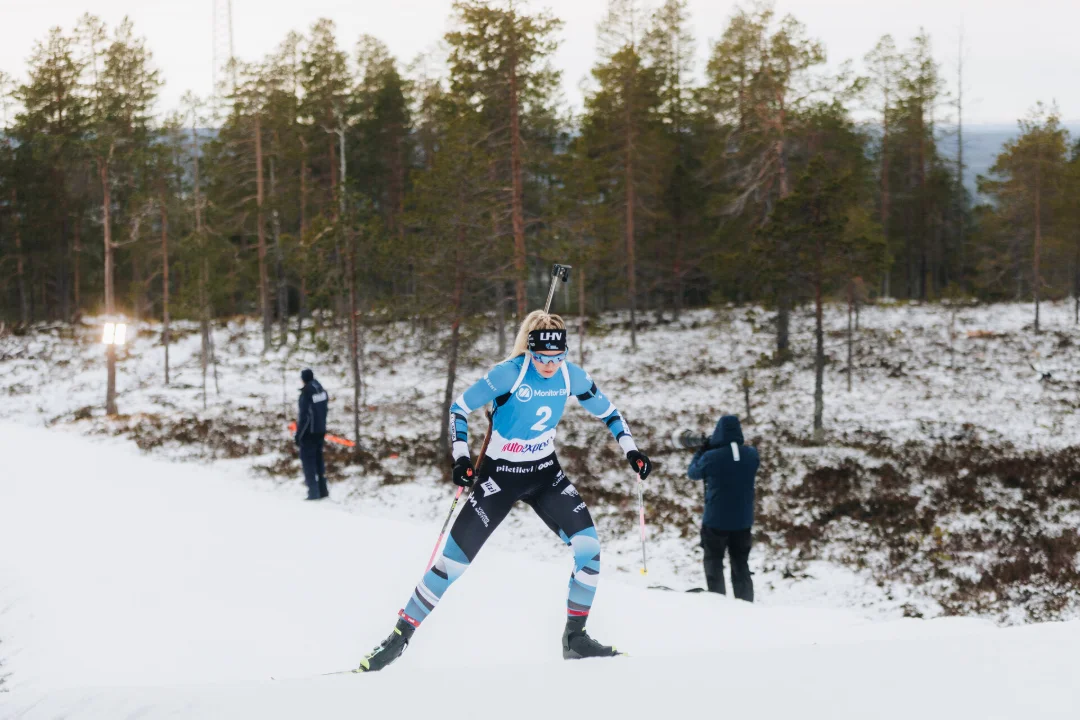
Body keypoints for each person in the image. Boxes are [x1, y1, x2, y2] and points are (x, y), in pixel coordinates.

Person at [357, 310, 652, 671]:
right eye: (542, 357)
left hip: (545, 475)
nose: (549, 364)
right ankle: (398, 638)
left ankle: (575, 638)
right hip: (499, 479)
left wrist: (632, 450)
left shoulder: (570, 376)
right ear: (530, 350)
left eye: (557, 357)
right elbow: (459, 408)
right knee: (451, 564)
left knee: (589, 550)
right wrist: (462, 458)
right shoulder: (509, 373)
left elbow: (610, 412)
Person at [688, 415, 758, 601]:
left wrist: (701, 451)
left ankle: (718, 602)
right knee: (741, 564)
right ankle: (746, 604)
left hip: (715, 521)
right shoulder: (752, 455)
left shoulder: (711, 457)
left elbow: (693, 472)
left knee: (713, 562)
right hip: (743, 521)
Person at [295, 368, 330, 501]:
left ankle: (313, 492)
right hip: (321, 431)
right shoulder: (320, 389)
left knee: (308, 462)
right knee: (319, 460)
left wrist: (299, 435)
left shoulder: (307, 393)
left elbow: (305, 417)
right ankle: (323, 490)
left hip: (309, 433)